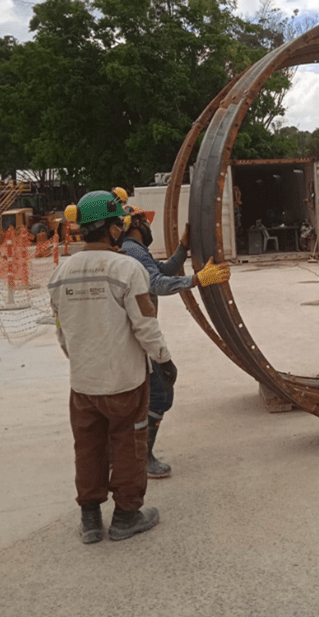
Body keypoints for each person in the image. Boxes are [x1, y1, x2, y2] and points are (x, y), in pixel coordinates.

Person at [48, 190, 176, 544]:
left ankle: (90, 521)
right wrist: (164, 360)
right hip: (125, 382)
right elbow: (145, 325)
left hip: (83, 384)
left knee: (88, 447)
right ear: (113, 228)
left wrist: (81, 362)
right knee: (128, 446)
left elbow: (62, 333)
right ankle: (126, 517)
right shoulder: (126, 269)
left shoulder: (60, 274)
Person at [116, 194, 230, 477]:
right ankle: (141, 457)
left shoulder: (135, 250)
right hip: (138, 336)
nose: (148, 226)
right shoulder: (133, 250)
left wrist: (183, 247)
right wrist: (197, 279)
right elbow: (156, 283)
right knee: (159, 393)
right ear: (133, 224)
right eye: (144, 221)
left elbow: (163, 270)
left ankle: (131, 454)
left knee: (149, 393)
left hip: (135, 334)